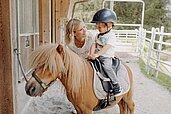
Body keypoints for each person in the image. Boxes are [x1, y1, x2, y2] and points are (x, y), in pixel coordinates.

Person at [88, 8, 122, 96]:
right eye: (97, 26)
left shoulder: (111, 36)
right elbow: (94, 44)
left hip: (106, 57)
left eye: (100, 27)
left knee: (107, 67)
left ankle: (116, 84)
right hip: (96, 55)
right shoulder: (98, 35)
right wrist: (91, 54)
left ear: (109, 25)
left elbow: (106, 47)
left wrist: (97, 54)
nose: (98, 28)